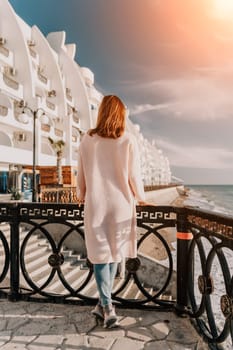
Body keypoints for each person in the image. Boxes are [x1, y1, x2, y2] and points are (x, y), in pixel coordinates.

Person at [77, 95, 147, 328]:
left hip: (96, 202)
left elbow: (81, 174)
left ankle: (104, 305)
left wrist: (80, 195)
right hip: (121, 205)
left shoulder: (88, 139)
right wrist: (142, 197)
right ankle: (106, 306)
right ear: (120, 114)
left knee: (100, 254)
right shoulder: (127, 140)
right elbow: (134, 176)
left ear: (102, 112)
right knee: (112, 253)